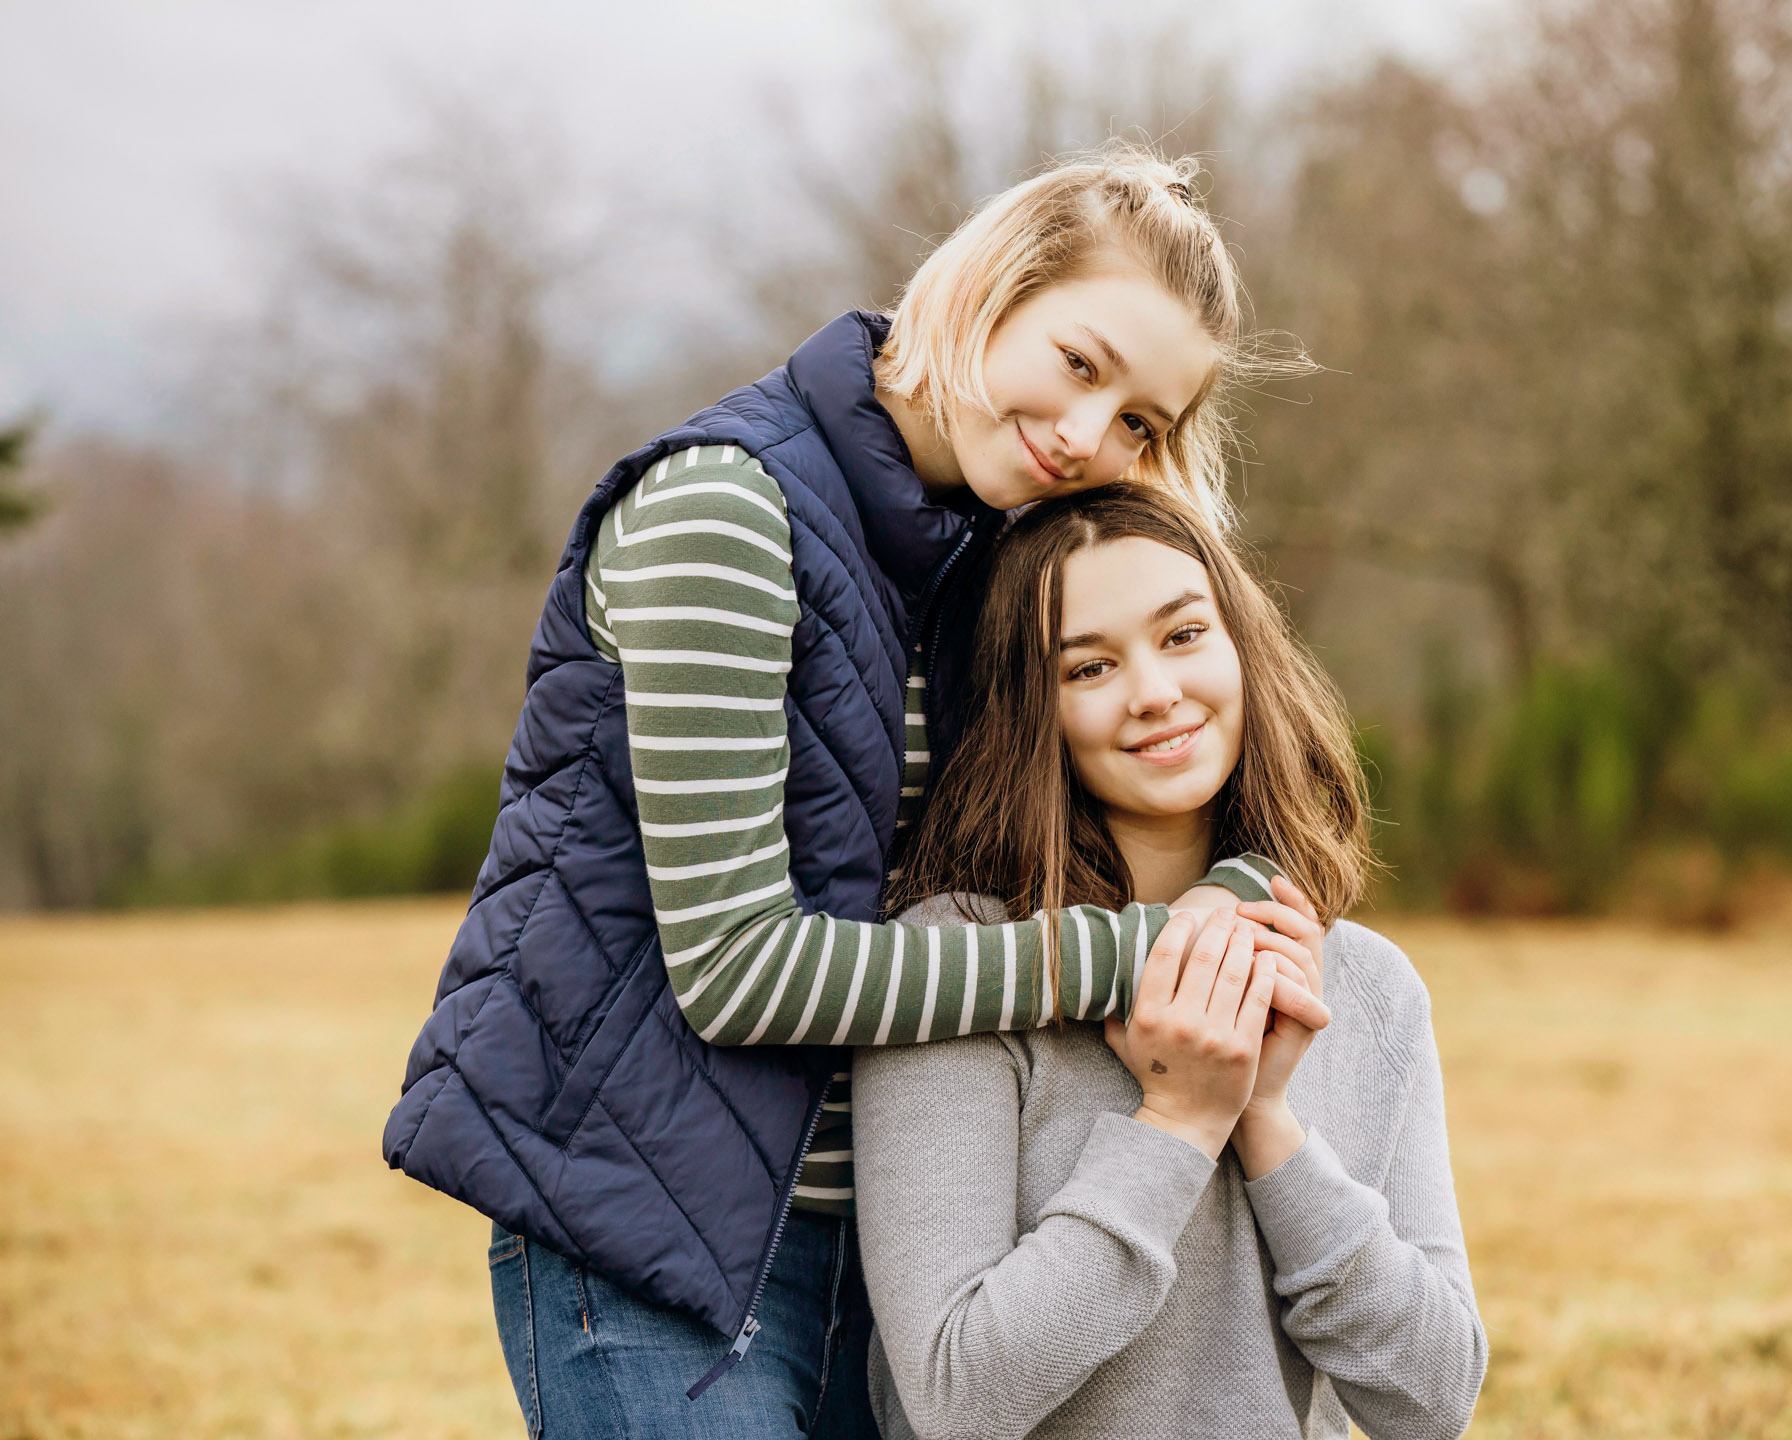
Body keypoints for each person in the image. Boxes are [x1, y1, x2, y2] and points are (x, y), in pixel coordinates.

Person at [383, 144, 1328, 1439]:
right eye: (1080, 363)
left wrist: (1225, 904)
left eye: (1140, 425)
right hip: (654, 1233)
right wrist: (1146, 955)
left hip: (900, 1255)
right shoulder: (723, 509)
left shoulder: (998, 550)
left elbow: (1200, 768)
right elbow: (736, 967)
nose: (1085, 436)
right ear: (996, 283)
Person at [854, 483, 1489, 1440]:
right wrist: (1180, 1121)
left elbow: (1433, 1400)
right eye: (1090, 667)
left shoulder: (1369, 986)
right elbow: (956, 1395)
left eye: (1184, 634)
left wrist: (1268, 1123)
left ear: (1243, 648)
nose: (1154, 691)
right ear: (1036, 711)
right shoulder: (960, 963)